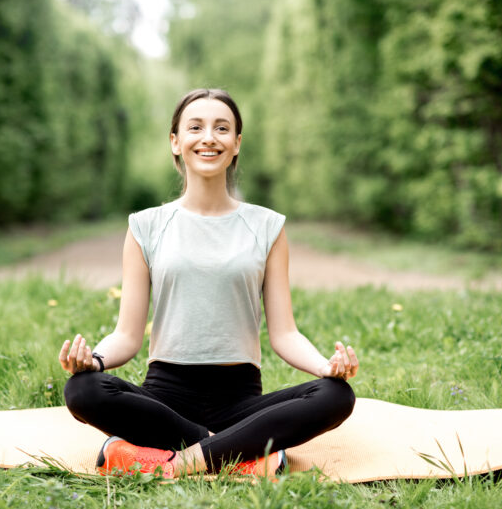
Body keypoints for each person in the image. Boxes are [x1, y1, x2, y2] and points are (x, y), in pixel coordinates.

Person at [58, 88, 359, 478]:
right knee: (82, 390)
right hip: (165, 397)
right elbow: (127, 336)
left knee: (337, 396)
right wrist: (93, 360)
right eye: (195, 127)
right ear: (176, 141)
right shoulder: (144, 226)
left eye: (222, 128)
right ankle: (241, 452)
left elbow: (284, 334)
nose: (209, 137)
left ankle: (178, 459)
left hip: (240, 398)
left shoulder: (268, 227)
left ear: (236, 144)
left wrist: (326, 367)